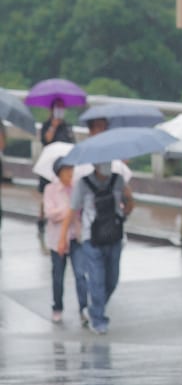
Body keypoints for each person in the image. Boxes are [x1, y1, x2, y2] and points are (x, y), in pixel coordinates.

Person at [62, 160, 132, 335]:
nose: (106, 165)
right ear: (94, 164)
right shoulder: (83, 184)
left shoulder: (118, 180)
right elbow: (72, 210)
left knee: (112, 279)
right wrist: (62, 237)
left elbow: (129, 202)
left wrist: (125, 211)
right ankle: (99, 320)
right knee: (97, 280)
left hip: (114, 237)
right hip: (91, 239)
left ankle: (94, 309)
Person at [45, 158, 89, 325]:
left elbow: (81, 211)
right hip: (57, 240)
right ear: (59, 173)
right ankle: (57, 307)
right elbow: (51, 213)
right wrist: (69, 211)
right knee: (58, 276)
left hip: (75, 237)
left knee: (80, 274)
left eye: (71, 169)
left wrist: (73, 212)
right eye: (66, 171)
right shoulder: (51, 189)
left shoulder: (77, 188)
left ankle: (83, 308)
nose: (69, 174)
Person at [37, 97, 74, 244]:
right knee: (47, 192)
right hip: (50, 163)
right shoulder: (47, 125)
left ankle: (64, 215)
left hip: (64, 164)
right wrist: (53, 126)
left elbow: (72, 142)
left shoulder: (67, 126)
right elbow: (45, 140)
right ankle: (42, 217)